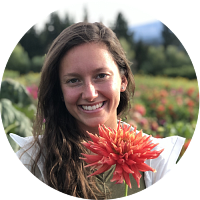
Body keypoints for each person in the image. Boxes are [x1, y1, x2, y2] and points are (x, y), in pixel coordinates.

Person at [9, 22, 185, 200]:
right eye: (73, 80)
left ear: (123, 81)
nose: (90, 94)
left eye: (101, 76)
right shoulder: (32, 161)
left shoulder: (156, 161)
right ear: (59, 91)